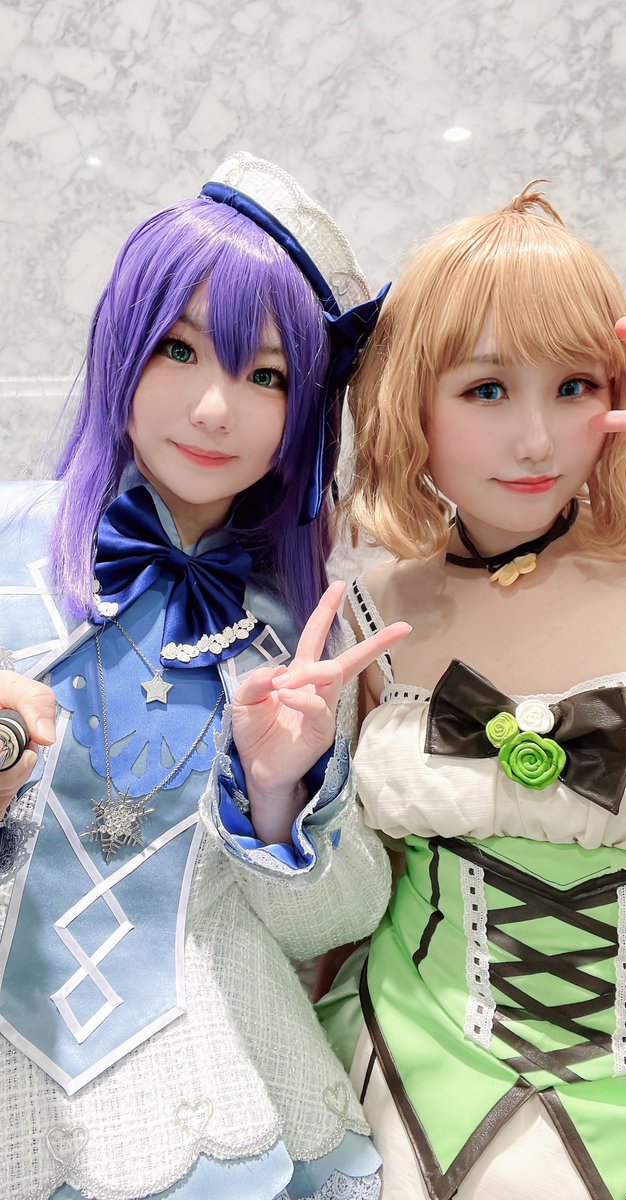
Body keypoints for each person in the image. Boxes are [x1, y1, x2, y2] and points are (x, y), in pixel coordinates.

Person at [0, 151, 409, 1200]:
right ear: (121, 347)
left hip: (222, 1083)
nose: (216, 409)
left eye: (266, 376)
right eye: (178, 350)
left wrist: (276, 793)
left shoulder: (300, 628)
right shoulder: (5, 548)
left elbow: (329, 926)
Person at [316, 184, 626, 1200]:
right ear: (410, 401)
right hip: (405, 1088)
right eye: (485, 390)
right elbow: (344, 895)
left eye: (575, 386)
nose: (536, 440)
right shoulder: (364, 614)